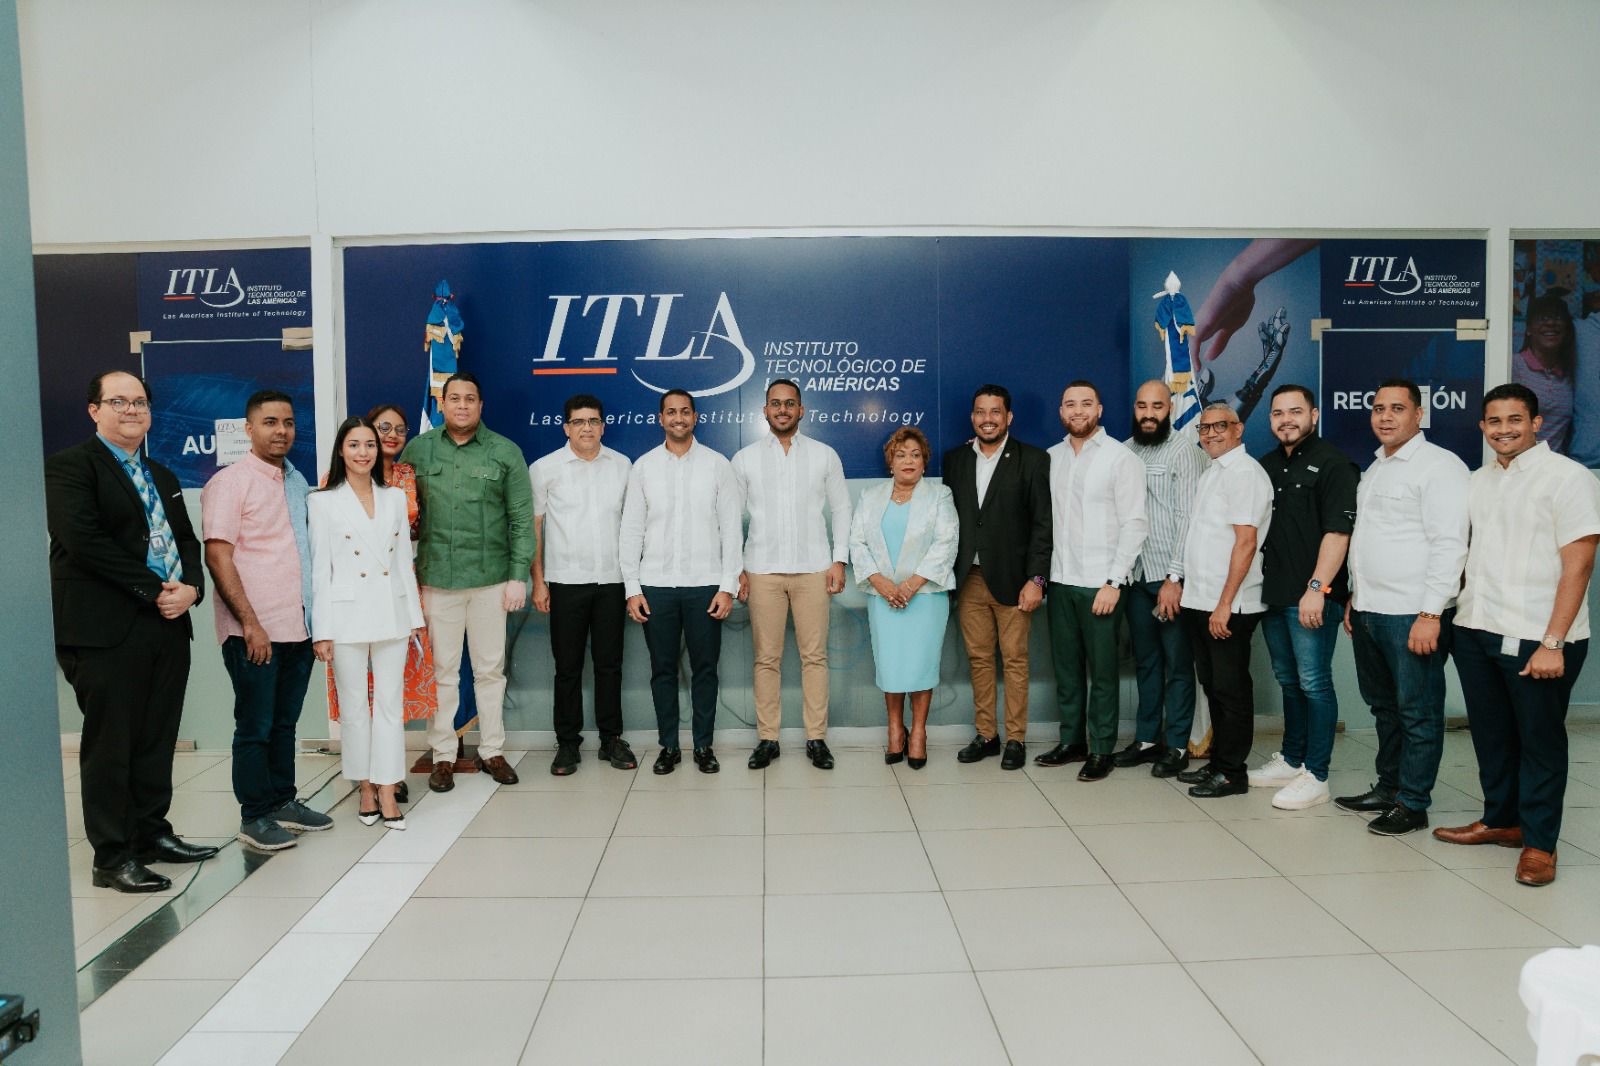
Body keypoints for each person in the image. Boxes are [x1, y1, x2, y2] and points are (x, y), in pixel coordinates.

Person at [46, 371, 215, 892]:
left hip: (166, 623)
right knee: (111, 745)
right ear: (94, 410)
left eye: (140, 402)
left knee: (156, 739)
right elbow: (83, 540)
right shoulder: (71, 467)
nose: (131, 410)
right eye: (118, 401)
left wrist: (191, 589)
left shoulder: (160, 473)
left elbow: (186, 541)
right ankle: (112, 856)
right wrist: (153, 588)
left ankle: (150, 834)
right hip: (106, 629)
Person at [1436, 383, 1600, 886]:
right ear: (1482, 427)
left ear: (1536, 423)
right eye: (1494, 421)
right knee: (1492, 737)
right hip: (1476, 629)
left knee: (1540, 742)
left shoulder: (1568, 478)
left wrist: (1553, 642)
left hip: (1538, 637)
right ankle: (1502, 820)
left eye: (1514, 420)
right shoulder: (1477, 481)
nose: (1503, 429)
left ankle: (1540, 845)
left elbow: (1580, 564)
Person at [203, 389, 333, 850]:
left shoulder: (297, 482)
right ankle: (254, 815)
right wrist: (250, 624)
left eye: (288, 423)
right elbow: (218, 556)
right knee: (255, 726)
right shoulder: (230, 482)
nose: (281, 431)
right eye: (271, 422)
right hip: (254, 631)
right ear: (249, 428)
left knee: (284, 723)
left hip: (298, 626)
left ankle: (282, 801)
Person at [1337, 379, 1469, 835]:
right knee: (1384, 708)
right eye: (1378, 408)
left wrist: (1431, 613)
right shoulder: (1376, 468)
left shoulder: (1440, 467)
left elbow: (1450, 545)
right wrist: (1356, 597)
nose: (1386, 416)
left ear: (1419, 414)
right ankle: (1389, 788)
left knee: (1418, 711)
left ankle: (1413, 803)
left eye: (1397, 408)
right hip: (1370, 610)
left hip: (1413, 614)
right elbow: (1370, 541)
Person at [400, 372, 534, 792]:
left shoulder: (504, 452)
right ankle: (443, 755)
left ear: (481, 405)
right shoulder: (418, 450)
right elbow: (401, 516)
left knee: (490, 671)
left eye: (470, 399)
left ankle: (492, 750)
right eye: (454, 398)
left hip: (491, 581)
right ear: (441, 404)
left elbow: (521, 520)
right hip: (437, 580)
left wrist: (518, 576)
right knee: (442, 672)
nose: (462, 405)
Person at [308, 418, 424, 831]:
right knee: (354, 708)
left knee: (390, 706)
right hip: (345, 616)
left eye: (370, 445)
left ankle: (389, 788)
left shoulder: (394, 497)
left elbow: (403, 562)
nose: (363, 452)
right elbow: (320, 570)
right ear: (341, 450)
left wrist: (414, 618)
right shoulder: (322, 501)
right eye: (354, 445)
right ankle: (365, 788)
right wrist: (322, 630)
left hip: (392, 612)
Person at [1247, 385, 1359, 810]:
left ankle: (1317, 774)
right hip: (1273, 594)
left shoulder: (1334, 464)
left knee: (1314, 683)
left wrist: (1318, 588)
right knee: (1289, 681)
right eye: (1278, 413)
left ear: (1314, 415)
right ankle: (1292, 759)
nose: (1286, 420)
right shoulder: (1266, 465)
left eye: (1295, 411)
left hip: (1312, 596)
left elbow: (1338, 533)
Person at [620, 389, 742, 774]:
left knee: (705, 670)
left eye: (685, 411)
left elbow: (731, 530)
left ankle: (703, 746)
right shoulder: (643, 467)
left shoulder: (717, 465)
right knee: (663, 670)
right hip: (655, 586)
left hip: (706, 585)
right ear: (661, 419)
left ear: (695, 417)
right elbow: (631, 530)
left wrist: (727, 586)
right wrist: (632, 588)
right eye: (671, 412)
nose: (678, 418)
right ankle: (669, 746)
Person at [733, 379, 852, 771]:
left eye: (789, 403)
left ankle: (816, 738)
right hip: (762, 570)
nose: (782, 409)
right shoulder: (745, 459)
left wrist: (839, 560)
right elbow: (729, 519)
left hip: (814, 569)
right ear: (765, 411)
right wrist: (735, 569)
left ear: (801, 410)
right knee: (766, 659)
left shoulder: (824, 455)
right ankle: (768, 739)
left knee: (814, 658)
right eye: (775, 403)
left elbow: (841, 509)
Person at [1040, 381, 1147, 781]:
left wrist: (1114, 582)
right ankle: (1072, 742)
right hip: (1061, 580)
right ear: (1061, 412)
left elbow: (1135, 523)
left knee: (1102, 673)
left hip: (1102, 584)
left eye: (1086, 403)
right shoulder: (1051, 458)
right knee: (1066, 670)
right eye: (1070, 404)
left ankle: (1101, 748)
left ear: (1099, 410)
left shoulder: (1120, 458)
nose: (1078, 410)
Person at [943, 384, 1053, 771]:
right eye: (980, 412)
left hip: (1014, 579)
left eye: (995, 412)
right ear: (972, 417)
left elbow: (1042, 525)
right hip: (969, 578)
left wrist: (1036, 580)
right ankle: (987, 735)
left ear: (1009, 417)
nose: (987, 419)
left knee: (1015, 661)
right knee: (979, 660)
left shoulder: (1033, 460)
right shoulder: (955, 459)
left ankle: (1016, 739)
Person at [530, 394, 636, 776]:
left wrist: (633, 583)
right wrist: (538, 582)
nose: (586, 428)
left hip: (612, 581)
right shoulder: (544, 468)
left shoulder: (623, 466)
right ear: (566, 427)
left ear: (603, 427)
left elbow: (633, 526)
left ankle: (611, 739)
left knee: (610, 665)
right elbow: (535, 528)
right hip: (565, 583)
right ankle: (567, 743)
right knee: (567, 667)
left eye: (593, 421)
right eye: (578, 421)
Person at [1175, 402, 1273, 798]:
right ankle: (1218, 763)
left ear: (1238, 428)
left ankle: (1232, 773)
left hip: (1229, 605)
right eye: (1205, 427)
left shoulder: (1245, 474)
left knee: (1231, 690)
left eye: (1220, 426)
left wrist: (1225, 603)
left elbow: (1246, 543)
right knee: (1214, 686)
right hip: (1200, 600)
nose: (1211, 433)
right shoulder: (1213, 472)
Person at [848, 427, 959, 770]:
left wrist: (910, 585)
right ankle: (895, 730)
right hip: (883, 598)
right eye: (900, 455)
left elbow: (946, 542)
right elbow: (857, 543)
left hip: (925, 597)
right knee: (891, 665)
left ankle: (919, 733)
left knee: (921, 665)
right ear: (890, 463)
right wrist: (881, 582)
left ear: (924, 462)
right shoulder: (870, 497)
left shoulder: (939, 495)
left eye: (915, 455)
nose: (908, 460)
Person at [1119, 380, 1207, 778]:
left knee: (1177, 664)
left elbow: (1188, 517)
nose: (1149, 414)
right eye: (1142, 406)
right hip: (1136, 577)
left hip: (1168, 579)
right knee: (1147, 662)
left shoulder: (1184, 451)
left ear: (1170, 408)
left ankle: (1177, 744)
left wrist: (1175, 577)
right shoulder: (1126, 450)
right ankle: (1146, 739)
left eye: (1157, 406)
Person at [1511, 293, 1575, 454]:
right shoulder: (1514, 366)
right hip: (1519, 464)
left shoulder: (1570, 374)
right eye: (1543, 318)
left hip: (1557, 466)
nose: (1551, 323)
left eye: (1558, 318)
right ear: (1528, 329)